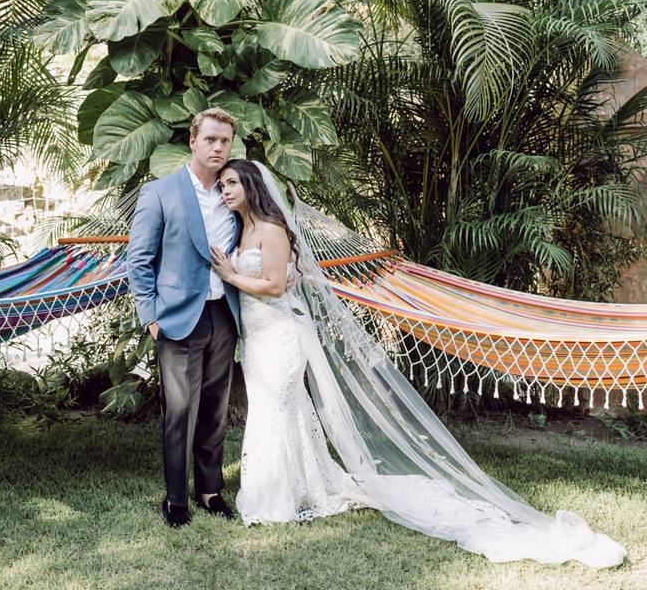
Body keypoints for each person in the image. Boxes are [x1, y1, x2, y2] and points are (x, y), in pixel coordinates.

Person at [209, 158, 627, 568]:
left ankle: (272, 499)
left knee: (275, 409)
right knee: (285, 410)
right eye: (222, 185)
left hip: (280, 334)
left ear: (252, 186)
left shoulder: (271, 228)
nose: (225, 191)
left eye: (232, 184)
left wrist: (231, 276)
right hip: (258, 337)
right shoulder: (242, 229)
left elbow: (277, 285)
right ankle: (303, 489)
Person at [126, 108, 241, 528]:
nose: (217, 147)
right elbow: (138, 259)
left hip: (223, 315)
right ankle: (176, 498)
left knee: (215, 409)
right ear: (192, 141)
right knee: (180, 411)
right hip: (176, 319)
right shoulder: (160, 193)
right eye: (210, 139)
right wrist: (151, 317)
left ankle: (210, 491)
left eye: (224, 141)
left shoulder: (234, 192)